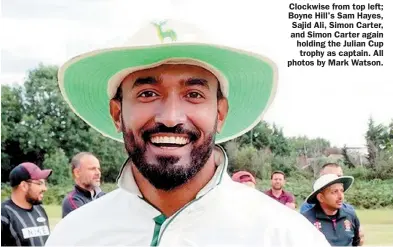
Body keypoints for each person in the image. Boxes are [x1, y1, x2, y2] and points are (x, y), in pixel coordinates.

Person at [45, 19, 330, 246]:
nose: (170, 118)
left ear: (220, 114)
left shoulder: (285, 237)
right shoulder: (74, 236)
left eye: (193, 94)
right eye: (147, 93)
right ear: (118, 114)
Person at [300, 162, 365, 245]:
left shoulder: (350, 214)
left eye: (342, 191)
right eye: (334, 192)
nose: (341, 196)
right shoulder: (306, 218)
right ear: (321, 197)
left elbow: (356, 241)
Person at [1, 162, 52, 246]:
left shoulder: (39, 210)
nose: (45, 188)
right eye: (39, 183)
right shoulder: (4, 215)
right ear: (24, 186)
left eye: (44, 183)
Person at [61, 152, 105, 218]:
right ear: (77, 173)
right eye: (92, 169)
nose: (98, 173)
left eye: (99, 169)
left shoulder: (104, 196)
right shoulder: (72, 201)